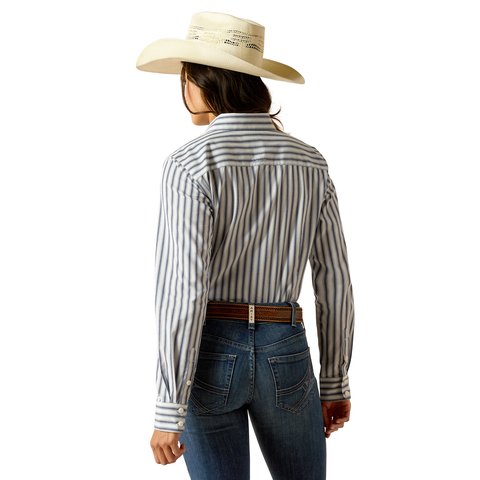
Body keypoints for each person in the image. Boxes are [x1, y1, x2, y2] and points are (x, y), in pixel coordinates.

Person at [136, 11, 355, 480]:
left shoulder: (190, 164)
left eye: (185, 76)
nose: (182, 88)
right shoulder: (310, 163)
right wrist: (335, 380)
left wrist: (169, 406)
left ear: (205, 80)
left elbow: (183, 290)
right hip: (286, 349)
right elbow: (334, 281)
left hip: (212, 351)